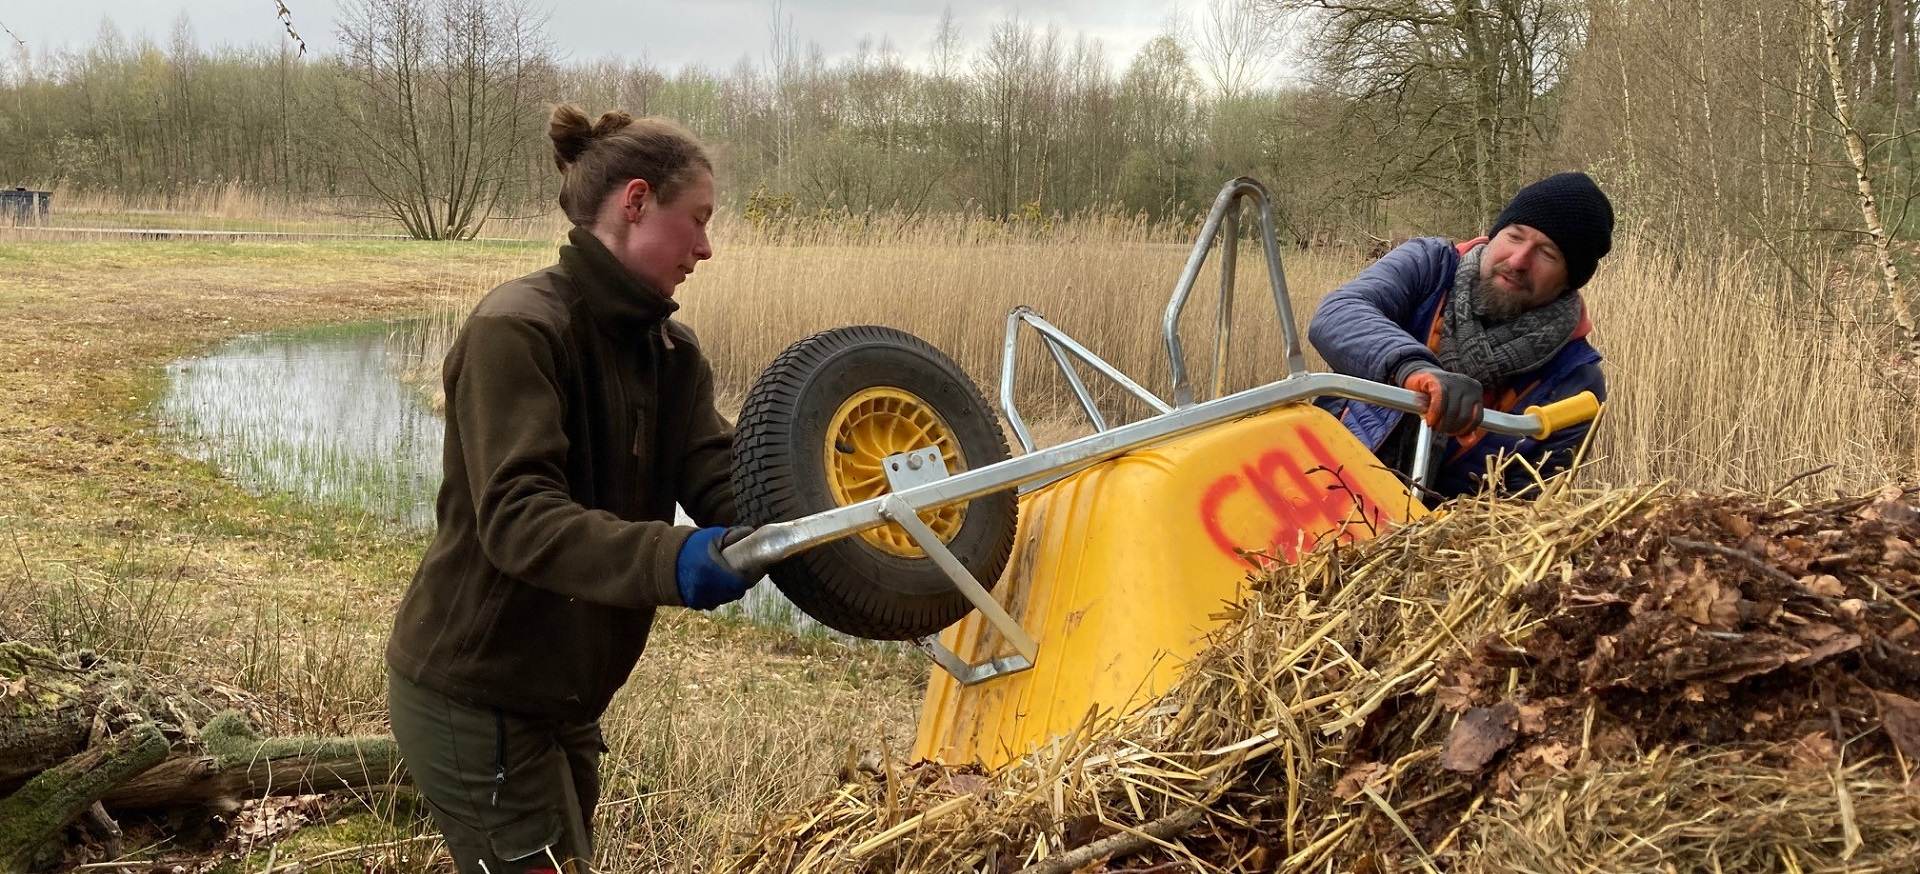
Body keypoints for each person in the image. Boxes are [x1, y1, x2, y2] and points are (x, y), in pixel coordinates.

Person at [384, 105, 756, 873]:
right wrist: (674, 559)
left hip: (566, 697)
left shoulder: (671, 352)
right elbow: (519, 519)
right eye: (698, 220)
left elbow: (724, 480)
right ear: (636, 201)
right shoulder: (518, 330)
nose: (707, 248)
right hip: (475, 690)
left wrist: (837, 521)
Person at [1307, 172, 1614, 500]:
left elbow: (1518, 515)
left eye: (1547, 254)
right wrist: (1414, 369)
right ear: (1495, 234)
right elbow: (1337, 314)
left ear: (1570, 280)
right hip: (1315, 475)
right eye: (1514, 236)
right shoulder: (1429, 265)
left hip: (1421, 539)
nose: (1518, 260)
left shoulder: (1575, 384)